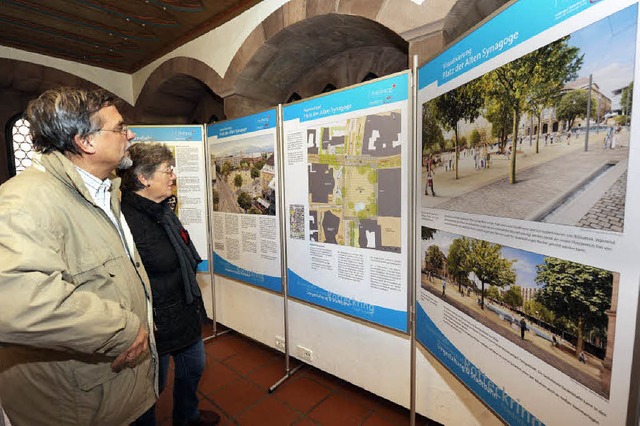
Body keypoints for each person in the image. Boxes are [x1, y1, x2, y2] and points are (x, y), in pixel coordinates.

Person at [0, 87, 157, 425]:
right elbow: (16, 302)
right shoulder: (24, 202)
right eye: (118, 128)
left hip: (122, 388)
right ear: (85, 142)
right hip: (81, 404)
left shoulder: (104, 191)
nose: (130, 134)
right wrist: (125, 329)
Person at [118, 143, 220, 426]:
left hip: (184, 310)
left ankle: (187, 417)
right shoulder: (125, 221)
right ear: (143, 178)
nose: (173, 175)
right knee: (151, 389)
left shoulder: (163, 209)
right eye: (167, 170)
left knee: (194, 368)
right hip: (155, 324)